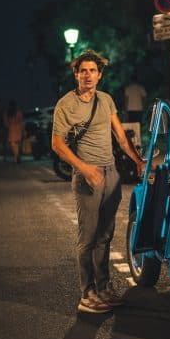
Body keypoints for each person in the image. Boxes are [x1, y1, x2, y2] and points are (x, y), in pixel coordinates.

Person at [52, 49, 146, 314]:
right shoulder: (66, 105)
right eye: (83, 71)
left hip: (110, 173)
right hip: (86, 175)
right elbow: (57, 144)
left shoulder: (105, 100)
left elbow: (120, 135)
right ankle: (87, 293)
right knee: (88, 236)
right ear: (76, 74)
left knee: (105, 234)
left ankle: (103, 288)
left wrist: (137, 161)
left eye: (93, 71)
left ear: (99, 75)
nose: (88, 75)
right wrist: (83, 168)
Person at [121, 78, 148, 147]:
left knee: (131, 126)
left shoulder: (128, 88)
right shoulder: (140, 88)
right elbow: (144, 98)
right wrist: (144, 107)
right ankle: (138, 141)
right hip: (139, 109)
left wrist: (125, 110)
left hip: (130, 109)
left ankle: (132, 142)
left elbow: (126, 100)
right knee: (138, 125)